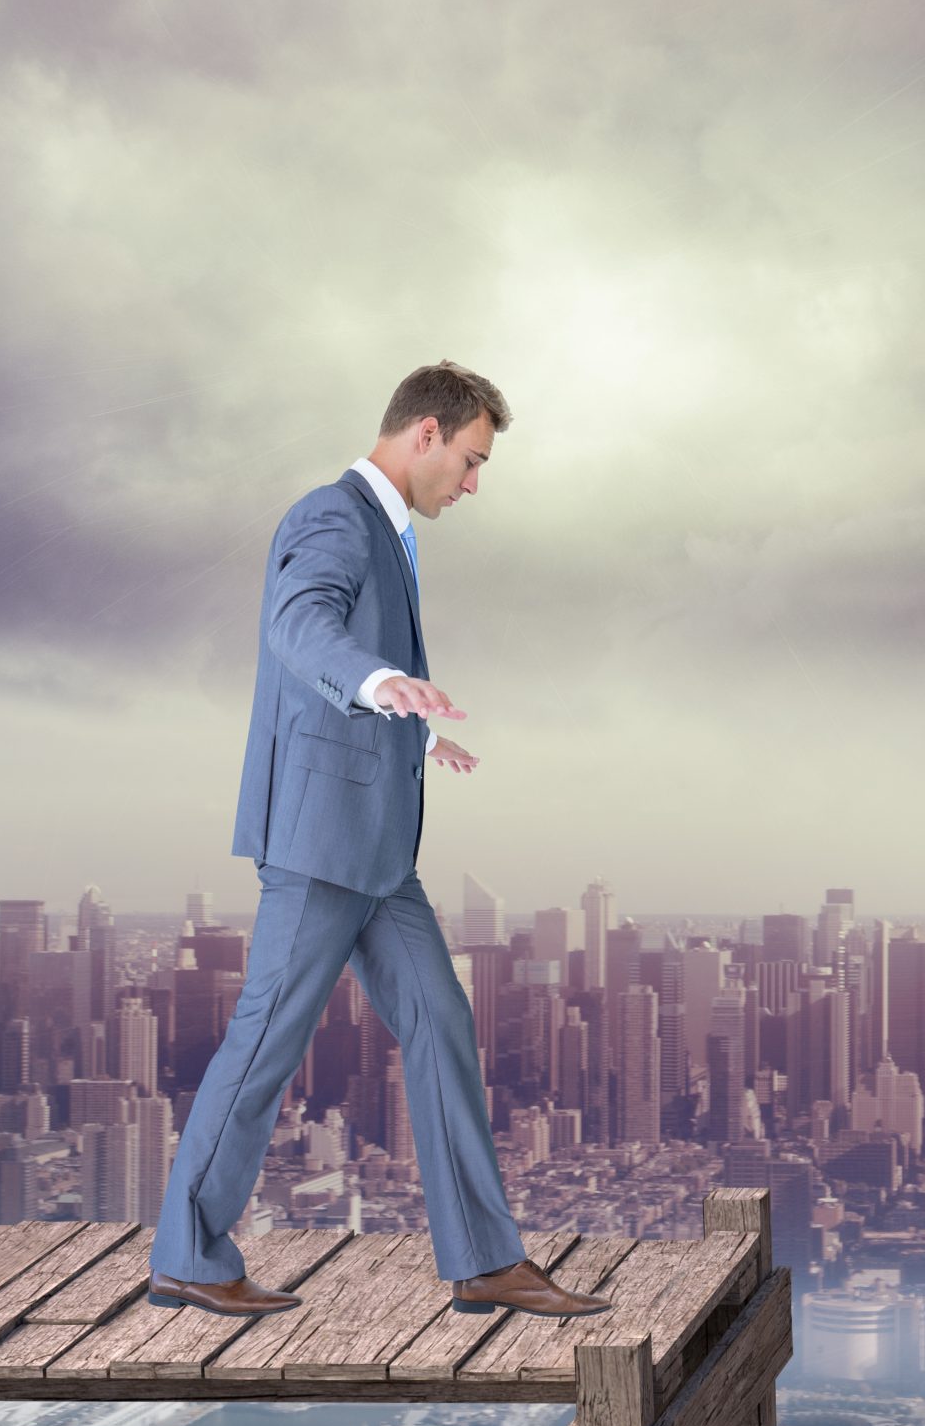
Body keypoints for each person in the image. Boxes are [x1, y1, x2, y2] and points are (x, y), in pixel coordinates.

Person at [143, 359, 609, 1322]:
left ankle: (483, 1259)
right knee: (267, 1040)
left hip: (379, 852)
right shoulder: (332, 517)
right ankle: (187, 1254)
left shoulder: (389, 536)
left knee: (440, 1023)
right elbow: (300, 627)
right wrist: (376, 683)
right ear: (425, 434)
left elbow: (352, 656)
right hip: (320, 846)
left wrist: (420, 727)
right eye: (472, 461)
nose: (474, 485)